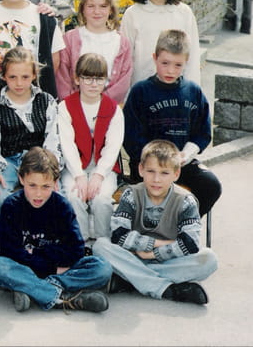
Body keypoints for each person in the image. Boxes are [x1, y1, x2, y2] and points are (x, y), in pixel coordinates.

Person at [0, 147, 112, 312]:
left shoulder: (62, 206)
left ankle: (33, 289)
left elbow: (75, 251)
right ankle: (67, 299)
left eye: (45, 186)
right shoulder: (11, 206)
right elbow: (10, 253)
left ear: (55, 182)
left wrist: (34, 255)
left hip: (35, 269)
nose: (38, 194)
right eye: (32, 185)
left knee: (102, 268)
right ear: (21, 179)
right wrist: (53, 266)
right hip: (39, 268)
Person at [93, 140, 218, 304]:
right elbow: (119, 236)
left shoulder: (186, 201)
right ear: (141, 170)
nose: (156, 179)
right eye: (151, 171)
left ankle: (128, 280)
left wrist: (153, 254)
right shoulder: (131, 194)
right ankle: (166, 289)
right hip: (133, 256)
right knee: (101, 246)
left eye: (164, 173)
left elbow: (190, 244)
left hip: (169, 259)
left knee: (209, 260)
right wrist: (158, 244)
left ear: (176, 174)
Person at [123, 29, 221, 216]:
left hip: (181, 164)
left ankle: (182, 225)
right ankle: (159, 225)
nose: (170, 70)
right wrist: (156, 162)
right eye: (165, 63)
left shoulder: (193, 91)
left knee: (211, 185)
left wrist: (186, 154)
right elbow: (131, 136)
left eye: (178, 65)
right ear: (155, 58)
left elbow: (203, 133)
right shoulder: (140, 91)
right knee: (157, 189)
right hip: (149, 166)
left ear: (186, 62)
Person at [0, 46, 61, 237]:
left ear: (34, 75)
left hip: (40, 162)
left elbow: (53, 139)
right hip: (8, 161)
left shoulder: (47, 101)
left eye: (25, 77)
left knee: (55, 196)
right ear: (4, 76)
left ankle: (42, 240)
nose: (19, 83)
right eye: (12, 77)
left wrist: (51, 171)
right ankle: (2, 239)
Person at [58, 53, 124, 242]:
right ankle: (81, 242)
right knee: (74, 196)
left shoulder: (113, 109)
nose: (93, 84)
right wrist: (79, 175)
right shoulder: (65, 107)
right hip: (74, 167)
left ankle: (103, 241)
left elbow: (113, 147)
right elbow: (67, 144)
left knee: (102, 199)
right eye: (87, 78)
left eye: (99, 79)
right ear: (77, 79)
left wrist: (99, 175)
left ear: (106, 80)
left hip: (103, 168)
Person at [120, 0, 201, 87]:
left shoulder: (184, 13)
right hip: (141, 90)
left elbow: (192, 59)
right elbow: (125, 60)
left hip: (176, 91)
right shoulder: (133, 14)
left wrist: (192, 93)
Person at [55, 0, 132, 103]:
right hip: (73, 108)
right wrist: (77, 105)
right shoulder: (69, 39)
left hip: (107, 108)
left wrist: (100, 104)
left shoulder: (121, 43)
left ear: (111, 9)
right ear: (83, 8)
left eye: (103, 6)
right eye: (91, 6)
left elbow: (122, 83)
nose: (97, 11)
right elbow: (63, 79)